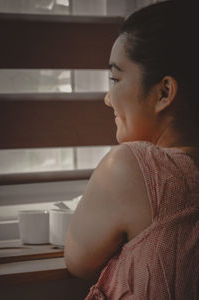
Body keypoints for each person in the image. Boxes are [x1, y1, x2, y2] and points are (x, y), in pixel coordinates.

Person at [64, 0, 199, 299]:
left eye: (116, 79)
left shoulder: (133, 167)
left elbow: (77, 260)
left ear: (164, 92)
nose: (108, 99)